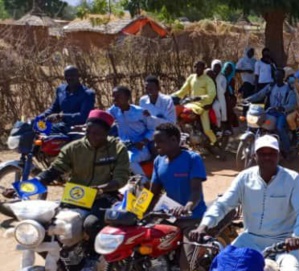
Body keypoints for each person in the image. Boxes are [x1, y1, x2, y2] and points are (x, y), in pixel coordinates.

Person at [190, 136, 299, 271]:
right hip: (250, 240)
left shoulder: (292, 179)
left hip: (284, 242)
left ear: (278, 155)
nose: (267, 157)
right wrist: (204, 225)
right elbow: (223, 205)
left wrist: (296, 236)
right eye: (262, 153)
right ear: (254, 156)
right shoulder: (244, 178)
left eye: (271, 153)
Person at [2, 110, 130, 241]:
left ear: (106, 133)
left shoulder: (118, 149)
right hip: (76, 196)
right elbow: (51, 173)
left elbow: (121, 179)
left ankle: (94, 257)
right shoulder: (73, 148)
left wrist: (101, 189)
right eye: (88, 132)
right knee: (49, 226)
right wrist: (21, 189)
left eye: (97, 134)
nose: (92, 137)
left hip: (105, 196)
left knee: (92, 225)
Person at [149, 122, 206, 221]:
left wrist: (187, 208)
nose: (156, 145)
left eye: (160, 141)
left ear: (174, 140)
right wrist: (136, 210)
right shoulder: (158, 161)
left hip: (193, 217)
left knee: (191, 236)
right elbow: (153, 193)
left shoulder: (192, 159)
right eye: (155, 142)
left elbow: (196, 192)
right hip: (170, 216)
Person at [244, 68, 299, 158]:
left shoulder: (289, 89)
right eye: (275, 75)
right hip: (270, 111)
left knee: (279, 128)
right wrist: (247, 99)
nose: (277, 77)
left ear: (283, 76)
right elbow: (260, 94)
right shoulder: (271, 86)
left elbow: (292, 104)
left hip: (281, 113)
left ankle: (287, 149)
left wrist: (283, 108)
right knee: (259, 123)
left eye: (279, 75)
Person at [108, 85, 158, 179]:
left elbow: (153, 129)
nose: (114, 99)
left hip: (140, 148)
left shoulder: (140, 112)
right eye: (113, 96)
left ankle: (145, 184)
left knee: (129, 161)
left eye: (118, 96)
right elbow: (102, 121)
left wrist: (144, 141)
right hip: (123, 146)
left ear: (127, 98)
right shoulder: (113, 110)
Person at [172, 60, 218, 148]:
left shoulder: (208, 80)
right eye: (195, 67)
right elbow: (182, 91)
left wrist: (200, 97)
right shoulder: (191, 77)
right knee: (179, 113)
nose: (197, 69)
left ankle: (214, 143)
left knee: (207, 130)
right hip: (190, 103)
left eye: (199, 67)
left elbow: (212, 94)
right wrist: (170, 96)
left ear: (203, 68)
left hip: (203, 105)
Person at [210, 60, 228, 131]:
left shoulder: (222, 78)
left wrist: (216, 82)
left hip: (219, 99)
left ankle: (218, 125)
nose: (217, 69)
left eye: (219, 67)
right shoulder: (208, 75)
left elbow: (223, 90)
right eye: (215, 67)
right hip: (209, 97)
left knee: (216, 107)